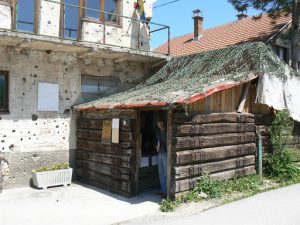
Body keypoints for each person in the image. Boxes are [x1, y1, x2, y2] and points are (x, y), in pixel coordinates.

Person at [155, 121, 167, 197]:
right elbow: (157, 142)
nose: (160, 126)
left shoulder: (167, 132)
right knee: (161, 173)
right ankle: (163, 190)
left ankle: (167, 191)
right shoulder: (158, 133)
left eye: (161, 124)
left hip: (166, 154)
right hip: (160, 153)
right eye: (158, 124)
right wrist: (156, 146)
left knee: (166, 173)